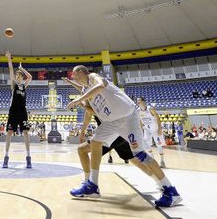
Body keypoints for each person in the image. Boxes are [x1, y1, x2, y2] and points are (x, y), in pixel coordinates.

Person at [65, 66, 181, 208]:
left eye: (74, 75)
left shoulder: (94, 77)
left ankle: (170, 190)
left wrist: (78, 100)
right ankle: (92, 186)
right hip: (112, 122)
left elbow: (101, 85)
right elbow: (87, 99)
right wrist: (80, 98)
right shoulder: (85, 91)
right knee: (95, 142)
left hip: (128, 117)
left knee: (140, 155)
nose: (73, 77)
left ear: (82, 73)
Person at [2, 51, 33, 169]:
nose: (17, 76)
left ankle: (28, 158)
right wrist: (9, 58)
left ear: (21, 77)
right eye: (17, 75)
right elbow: (10, 69)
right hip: (13, 111)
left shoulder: (24, 85)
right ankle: (6, 157)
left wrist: (22, 68)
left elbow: (30, 77)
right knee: (9, 132)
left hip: (23, 111)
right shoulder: (14, 85)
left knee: (26, 132)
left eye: (19, 75)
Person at [137, 97, 166, 168]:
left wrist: (159, 128)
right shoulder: (138, 110)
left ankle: (162, 161)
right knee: (147, 144)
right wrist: (141, 132)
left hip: (155, 128)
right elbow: (140, 121)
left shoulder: (150, 108)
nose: (138, 102)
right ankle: (153, 161)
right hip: (147, 129)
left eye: (139, 100)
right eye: (137, 101)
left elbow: (158, 118)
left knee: (159, 144)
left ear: (143, 101)